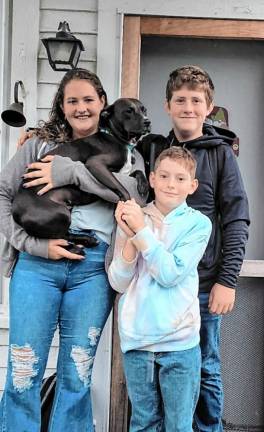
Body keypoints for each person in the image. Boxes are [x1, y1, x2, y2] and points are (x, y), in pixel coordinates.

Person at [0, 68, 147, 432]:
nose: (81, 108)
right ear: (62, 107)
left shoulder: (129, 155)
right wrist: (34, 245)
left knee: (77, 374)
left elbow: (136, 195)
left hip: (94, 268)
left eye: (88, 100)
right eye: (72, 101)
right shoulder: (37, 145)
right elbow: (3, 195)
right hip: (37, 264)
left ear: (103, 104)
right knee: (23, 370)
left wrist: (69, 173)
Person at [140, 65, 250, 432]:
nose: (188, 107)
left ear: (209, 107)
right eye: (180, 100)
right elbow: (105, 147)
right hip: (155, 284)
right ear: (167, 105)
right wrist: (41, 136)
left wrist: (227, 280)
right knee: (152, 368)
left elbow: (237, 218)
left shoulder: (221, 155)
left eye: (196, 101)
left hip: (202, 286)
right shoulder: (151, 147)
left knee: (205, 367)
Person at [108, 146, 212, 431]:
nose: (170, 184)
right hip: (137, 341)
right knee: (143, 423)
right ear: (152, 179)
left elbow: (170, 273)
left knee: (178, 426)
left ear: (192, 186)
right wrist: (131, 237)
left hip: (179, 343)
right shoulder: (133, 217)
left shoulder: (198, 225)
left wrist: (141, 232)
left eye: (180, 179)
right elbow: (118, 281)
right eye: (164, 176)